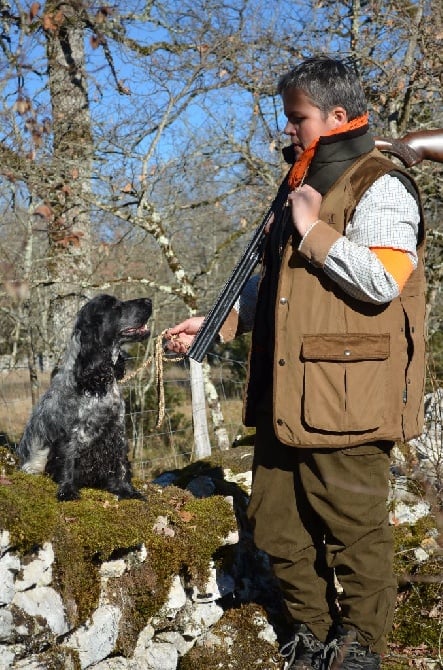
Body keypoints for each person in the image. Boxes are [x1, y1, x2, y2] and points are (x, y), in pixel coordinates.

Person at [165, 56, 426, 670]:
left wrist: (312, 230)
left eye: (296, 118)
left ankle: (359, 647)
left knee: (354, 530)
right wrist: (224, 317)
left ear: (337, 115)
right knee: (277, 523)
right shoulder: (304, 183)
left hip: (349, 395)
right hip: (290, 392)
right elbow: (287, 289)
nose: (288, 130)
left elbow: (384, 280)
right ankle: (311, 636)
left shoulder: (379, 183)